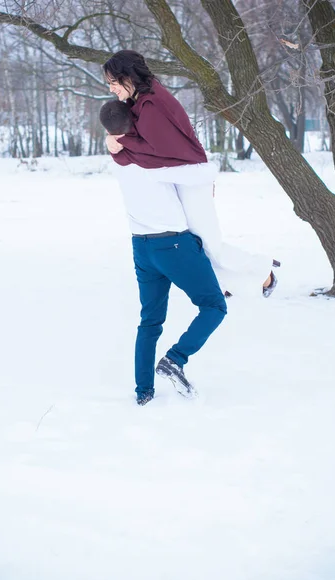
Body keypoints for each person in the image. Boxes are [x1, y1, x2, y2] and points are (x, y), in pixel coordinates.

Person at [102, 50, 279, 298]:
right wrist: (115, 143)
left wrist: (121, 147)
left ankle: (263, 271)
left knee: (209, 243)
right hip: (182, 178)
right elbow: (140, 146)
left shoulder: (152, 104)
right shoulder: (140, 101)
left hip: (192, 180)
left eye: (113, 82)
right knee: (194, 244)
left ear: (127, 77)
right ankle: (224, 284)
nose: (111, 89)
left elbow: (156, 153)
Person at [99, 104, 227, 406]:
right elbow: (200, 172)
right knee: (214, 306)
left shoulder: (118, 158)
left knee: (150, 321)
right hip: (174, 244)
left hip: (141, 246)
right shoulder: (152, 159)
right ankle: (175, 358)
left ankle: (144, 391)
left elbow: (114, 137)